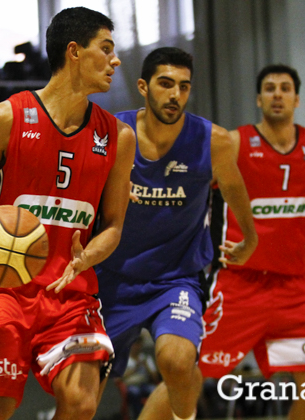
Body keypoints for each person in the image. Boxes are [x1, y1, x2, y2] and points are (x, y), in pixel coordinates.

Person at [0, 7, 135, 420]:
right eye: (106, 49)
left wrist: (89, 256)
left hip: (71, 295)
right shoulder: (5, 118)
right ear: (74, 52)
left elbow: (115, 225)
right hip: (6, 289)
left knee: (82, 402)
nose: (116, 60)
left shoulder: (118, 137)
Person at [196, 64, 305, 420]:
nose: (277, 93)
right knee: (184, 374)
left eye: (285, 88)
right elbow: (191, 191)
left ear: (297, 99)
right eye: (270, 88)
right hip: (238, 284)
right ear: (258, 99)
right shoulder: (233, 142)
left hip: (294, 288)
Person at [95, 47, 258, 420]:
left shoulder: (213, 140)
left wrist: (250, 238)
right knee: (82, 395)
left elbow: (234, 189)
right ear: (143, 86)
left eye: (184, 87)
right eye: (166, 84)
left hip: (175, 279)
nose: (175, 95)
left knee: (178, 361)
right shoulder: (110, 133)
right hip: (110, 279)